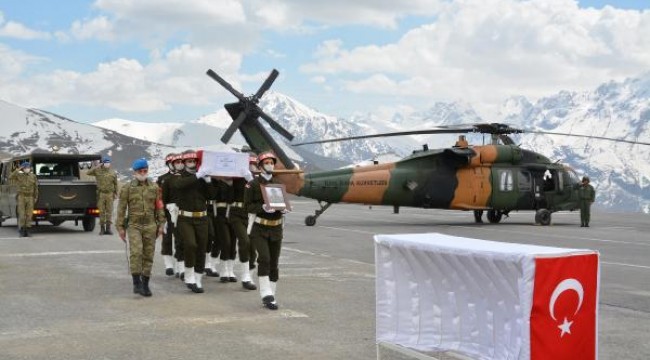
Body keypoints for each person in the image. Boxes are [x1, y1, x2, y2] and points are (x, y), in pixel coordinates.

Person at [245, 151, 289, 310]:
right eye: (267, 163)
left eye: (272, 163)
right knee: (264, 258)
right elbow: (248, 206)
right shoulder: (253, 184)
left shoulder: (278, 184)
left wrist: (284, 209)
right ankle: (265, 293)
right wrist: (262, 207)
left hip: (276, 228)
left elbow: (282, 203)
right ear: (260, 166)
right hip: (260, 228)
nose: (270, 165)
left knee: (274, 263)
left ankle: (272, 294)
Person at [116, 158, 166, 297]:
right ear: (135, 172)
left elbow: (159, 206)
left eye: (145, 171)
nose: (143, 173)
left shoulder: (154, 187)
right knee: (136, 252)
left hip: (150, 225)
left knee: (148, 255)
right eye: (140, 171)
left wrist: (161, 224)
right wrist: (120, 227)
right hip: (134, 225)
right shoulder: (128, 188)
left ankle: (145, 284)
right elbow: (121, 208)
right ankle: (136, 282)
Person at [172, 150, 214, 293]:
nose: (192, 163)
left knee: (201, 248)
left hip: (202, 218)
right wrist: (198, 175)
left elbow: (212, 196)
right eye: (189, 161)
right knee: (190, 245)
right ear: (184, 163)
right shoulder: (180, 177)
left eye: (194, 161)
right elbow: (180, 186)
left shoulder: (202, 178)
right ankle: (189, 275)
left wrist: (208, 181)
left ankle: (198, 278)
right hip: (185, 218)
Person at [156, 153, 178, 276]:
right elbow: (158, 198)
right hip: (167, 211)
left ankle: (181, 264)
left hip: (180, 211)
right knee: (167, 238)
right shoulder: (162, 179)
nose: (174, 165)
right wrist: (160, 215)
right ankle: (169, 264)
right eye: (171, 162)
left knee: (181, 239)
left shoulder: (182, 177)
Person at [87, 156, 118, 235]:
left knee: (109, 212)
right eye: (105, 162)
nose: (107, 164)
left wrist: (116, 193)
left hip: (110, 194)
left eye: (108, 163)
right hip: (101, 194)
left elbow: (115, 184)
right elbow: (88, 172)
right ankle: (102, 229)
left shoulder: (113, 173)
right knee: (101, 212)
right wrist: (97, 166)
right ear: (103, 163)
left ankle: (108, 228)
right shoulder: (98, 171)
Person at [10, 161, 38, 237]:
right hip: (21, 196)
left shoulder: (33, 176)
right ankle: (21, 230)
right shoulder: (19, 175)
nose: (27, 169)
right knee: (22, 214)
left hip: (30, 197)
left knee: (29, 215)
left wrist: (35, 197)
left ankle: (27, 230)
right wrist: (18, 169)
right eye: (25, 168)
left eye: (28, 167)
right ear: (23, 169)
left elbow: (36, 187)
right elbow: (11, 177)